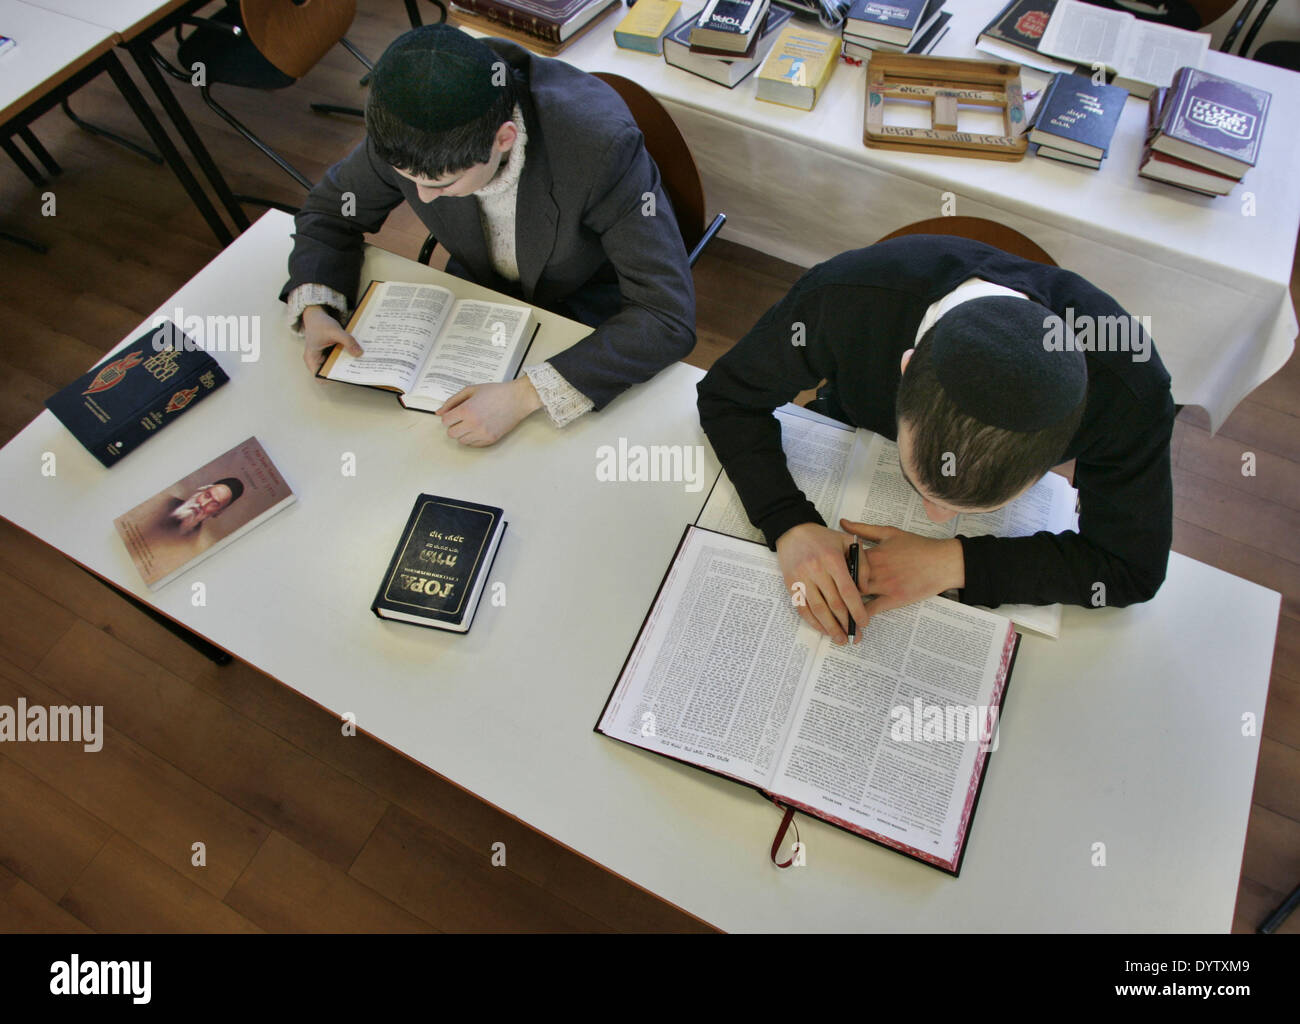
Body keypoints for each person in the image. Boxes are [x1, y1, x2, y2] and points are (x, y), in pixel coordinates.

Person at [696, 235, 1176, 644]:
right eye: (922, 485)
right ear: (904, 370)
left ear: (1065, 449)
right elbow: (728, 397)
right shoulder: (845, 297)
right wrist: (787, 521)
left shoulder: (1132, 395)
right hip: (846, 428)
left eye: (966, 508)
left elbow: (1130, 568)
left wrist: (957, 560)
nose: (935, 520)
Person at [281, 24, 695, 445]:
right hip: (478, 298)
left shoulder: (598, 148)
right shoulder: (407, 121)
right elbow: (331, 209)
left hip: (584, 308)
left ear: (504, 138)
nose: (423, 196)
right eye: (409, 179)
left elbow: (665, 315)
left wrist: (525, 395)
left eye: (442, 185)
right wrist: (316, 307)